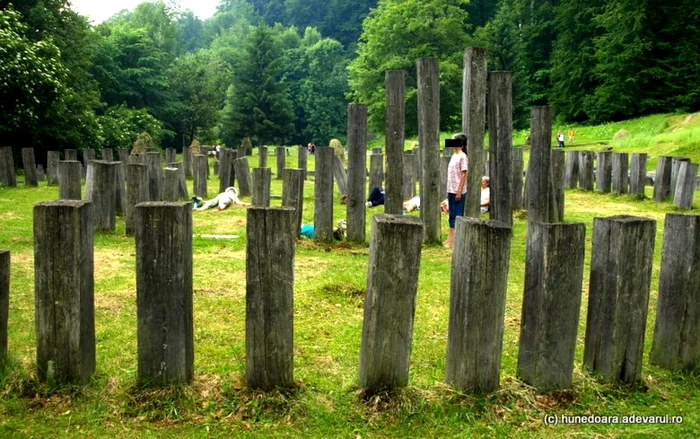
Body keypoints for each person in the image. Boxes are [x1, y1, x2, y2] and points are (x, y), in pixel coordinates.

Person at [444, 133, 468, 248]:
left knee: (457, 216)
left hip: (458, 191)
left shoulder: (463, 156)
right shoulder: (454, 155)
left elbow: (464, 175)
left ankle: (454, 241)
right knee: (451, 215)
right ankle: (450, 239)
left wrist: (459, 191)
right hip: (451, 189)